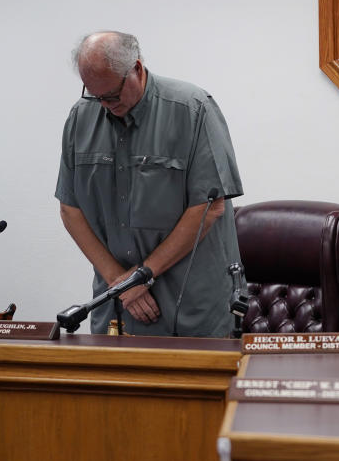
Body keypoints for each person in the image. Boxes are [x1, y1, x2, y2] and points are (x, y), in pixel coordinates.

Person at [56, 31, 243, 336]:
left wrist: (142, 277)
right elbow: (70, 208)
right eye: (95, 95)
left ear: (137, 70)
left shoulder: (193, 109)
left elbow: (209, 208)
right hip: (118, 304)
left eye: (112, 96)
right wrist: (120, 282)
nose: (104, 105)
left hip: (189, 305)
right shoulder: (81, 116)